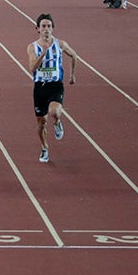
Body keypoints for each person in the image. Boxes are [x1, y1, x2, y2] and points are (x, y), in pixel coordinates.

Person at [27, 13, 78, 163]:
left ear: (52, 28)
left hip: (55, 85)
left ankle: (57, 122)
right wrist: (43, 54)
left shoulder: (60, 44)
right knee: (41, 123)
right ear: (37, 29)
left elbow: (74, 56)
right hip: (40, 88)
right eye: (43, 26)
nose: (46, 29)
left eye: (49, 26)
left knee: (54, 112)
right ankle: (44, 148)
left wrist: (72, 75)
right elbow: (32, 68)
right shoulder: (32, 47)